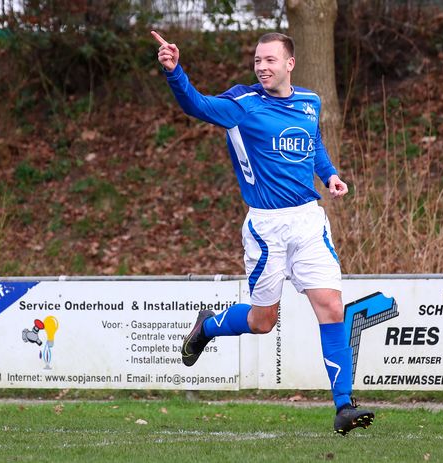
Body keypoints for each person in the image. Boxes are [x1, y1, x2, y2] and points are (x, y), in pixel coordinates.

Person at [151, 30, 374, 435]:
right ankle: (209, 325)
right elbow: (197, 105)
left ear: (290, 64)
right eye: (257, 61)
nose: (262, 67)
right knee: (262, 322)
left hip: (308, 221)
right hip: (266, 229)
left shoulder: (310, 102)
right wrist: (174, 72)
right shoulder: (242, 104)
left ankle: (344, 406)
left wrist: (330, 175)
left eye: (270, 60)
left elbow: (313, 142)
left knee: (331, 307)